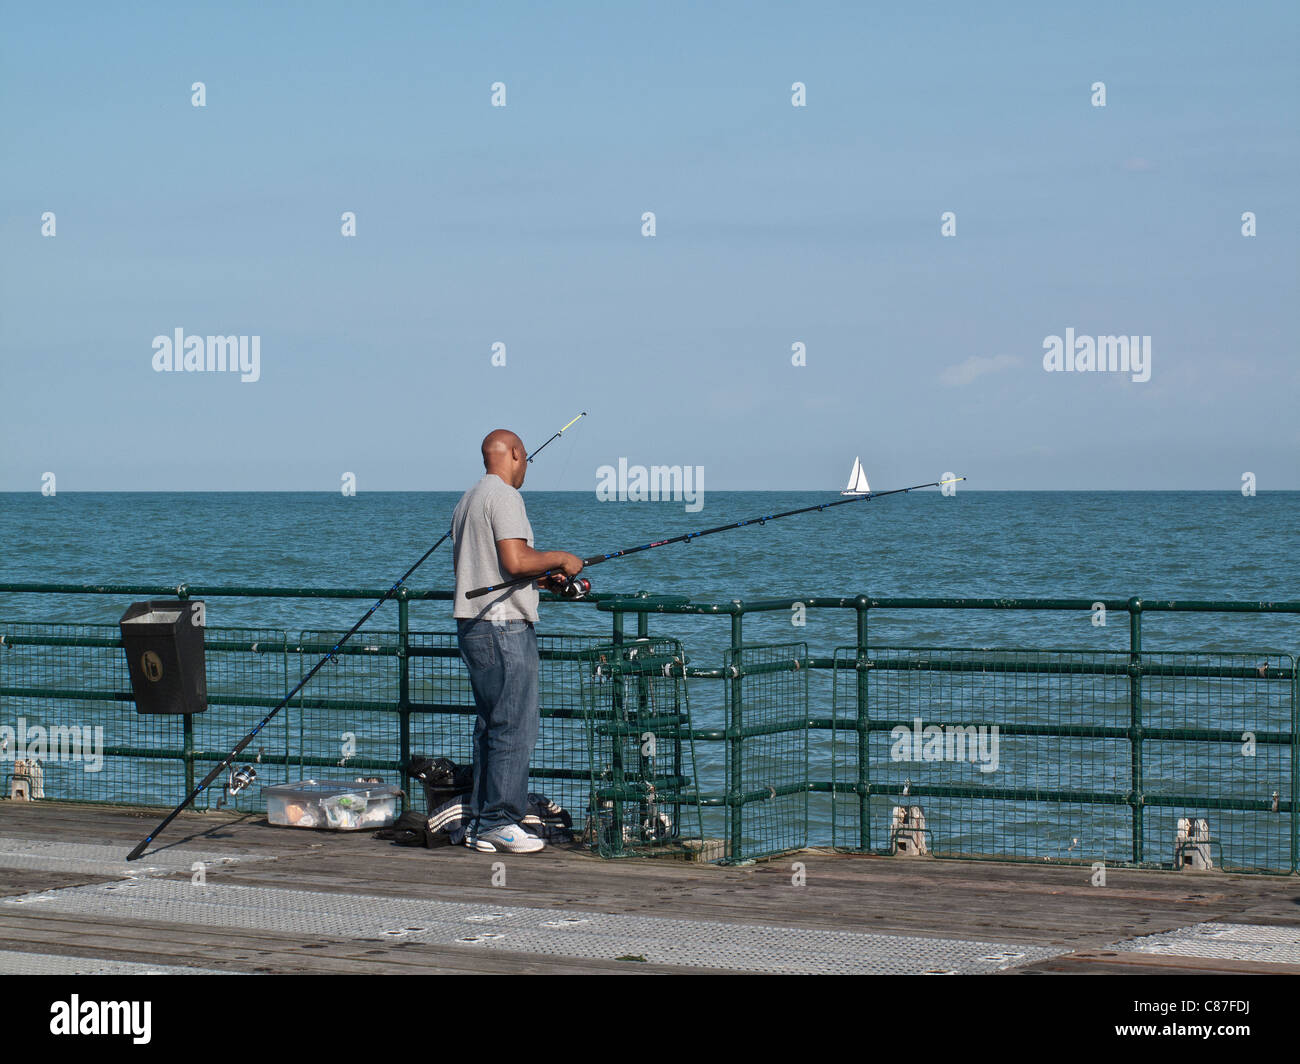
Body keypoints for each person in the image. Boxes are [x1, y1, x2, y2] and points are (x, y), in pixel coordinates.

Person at [450, 429, 583, 853]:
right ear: (515, 454)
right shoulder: (506, 497)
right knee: (515, 726)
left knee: (490, 724)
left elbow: (500, 570)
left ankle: (479, 820)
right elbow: (514, 559)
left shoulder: (467, 500)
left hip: (474, 625)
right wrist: (562, 558)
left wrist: (544, 578)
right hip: (505, 627)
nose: (526, 467)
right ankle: (500, 820)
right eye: (525, 460)